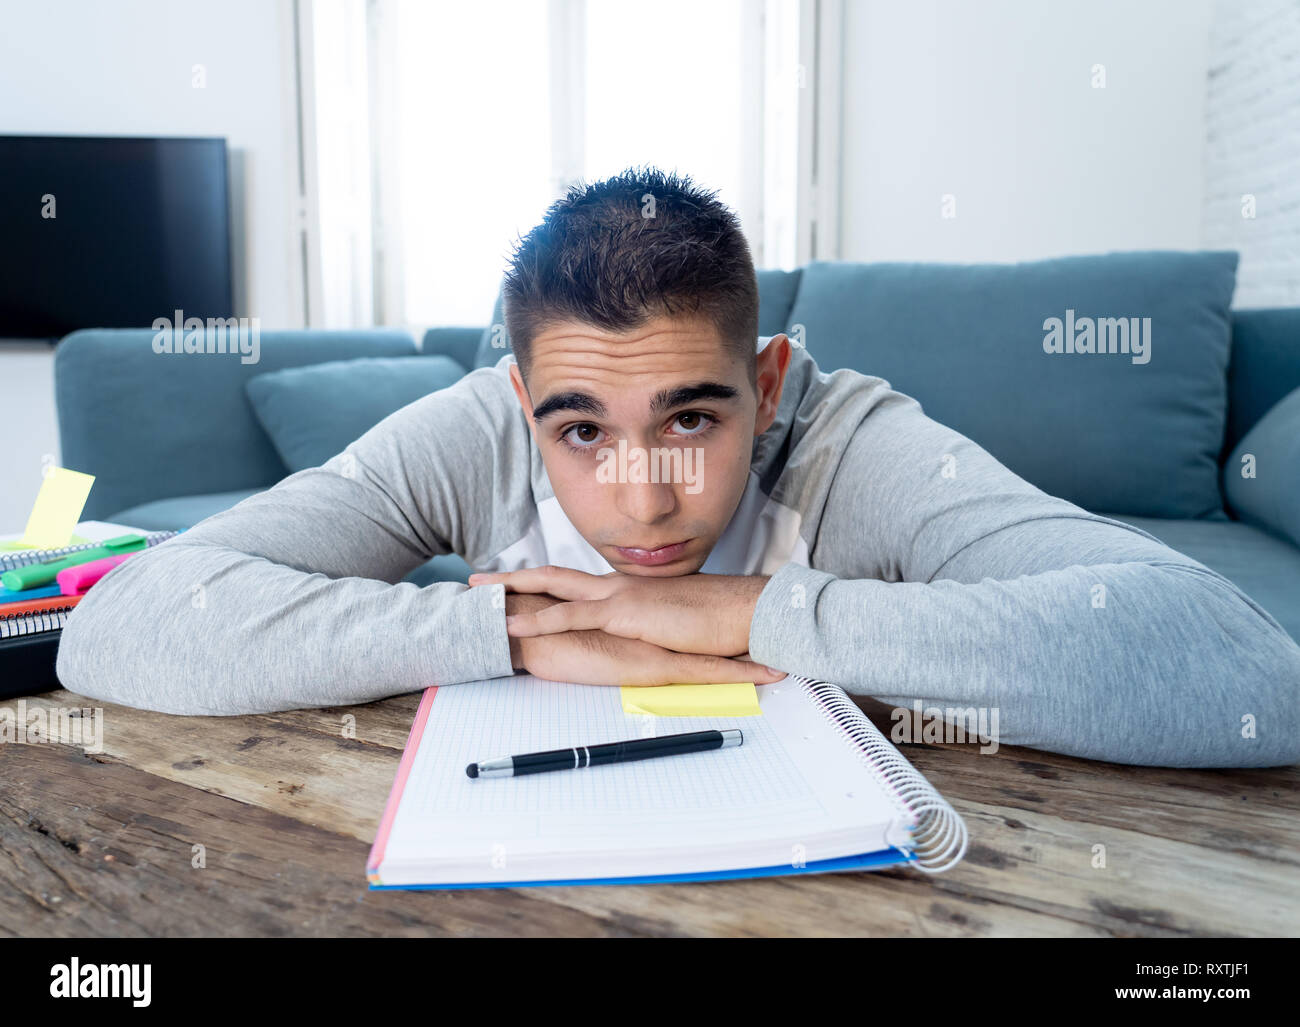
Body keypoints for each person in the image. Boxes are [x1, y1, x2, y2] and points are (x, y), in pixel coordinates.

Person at [57, 166, 1300, 768]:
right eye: (581, 430)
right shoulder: (474, 424)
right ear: (519, 403)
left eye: (692, 420)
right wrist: (509, 633)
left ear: (763, 387)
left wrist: (738, 609)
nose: (642, 496)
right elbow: (121, 626)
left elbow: (1244, 669)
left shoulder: (853, 442)